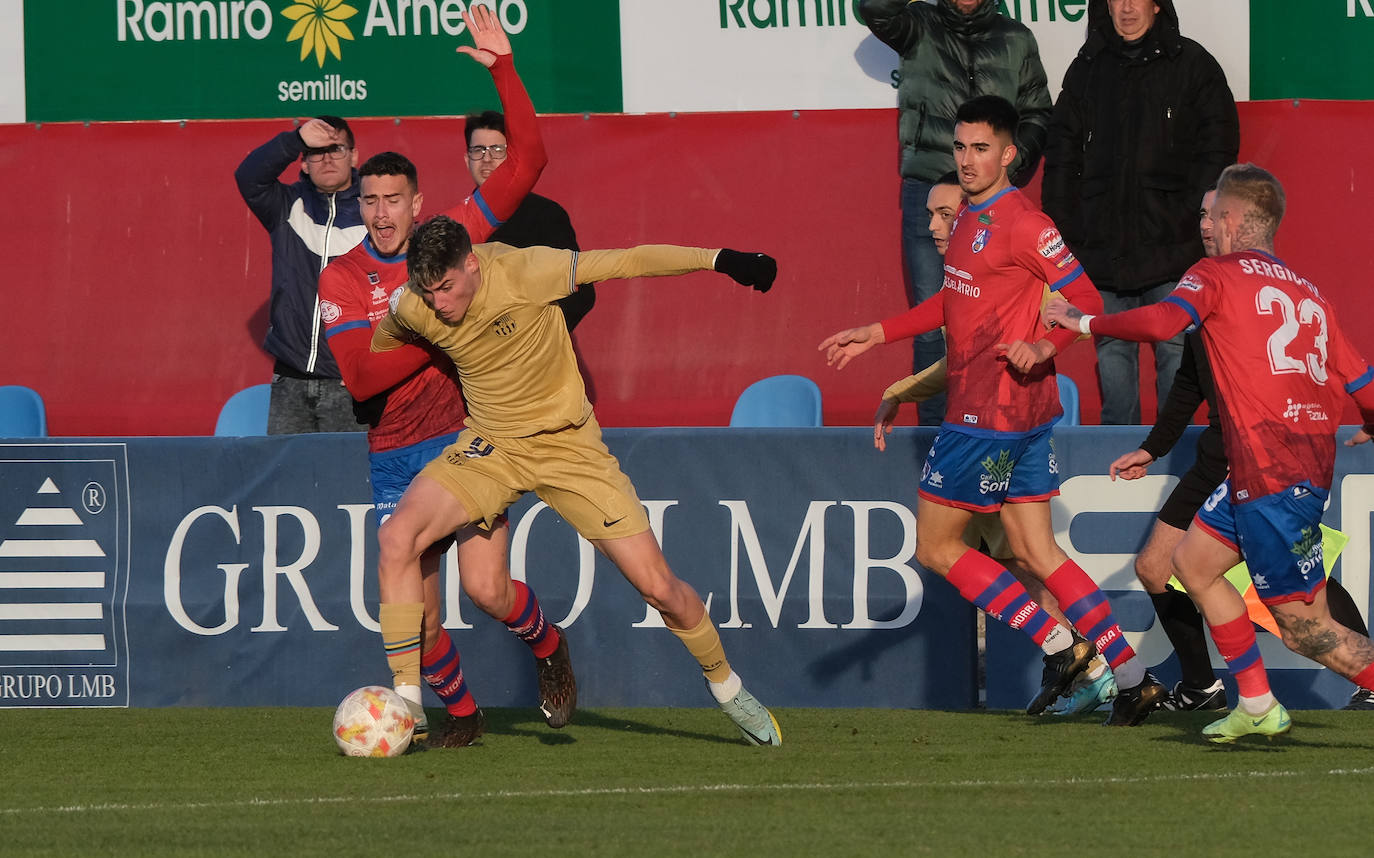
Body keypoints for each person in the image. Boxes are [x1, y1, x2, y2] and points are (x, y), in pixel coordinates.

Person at [371, 216, 783, 746]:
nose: (439, 303)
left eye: (446, 288)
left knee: (659, 588)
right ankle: (405, 706)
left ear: (471, 264)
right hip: (493, 447)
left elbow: (629, 260)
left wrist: (722, 259)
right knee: (397, 539)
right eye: (428, 292)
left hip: (569, 447)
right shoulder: (415, 306)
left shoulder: (524, 271)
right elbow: (381, 347)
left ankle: (728, 688)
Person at [820, 95, 1165, 726]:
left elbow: (1087, 300)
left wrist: (1047, 343)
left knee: (935, 547)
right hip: (1019, 415)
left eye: (981, 149)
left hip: (990, 413)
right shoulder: (969, 218)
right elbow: (953, 302)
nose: (968, 159)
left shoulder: (1025, 224)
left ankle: (1058, 643)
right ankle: (1133, 675)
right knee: (1038, 553)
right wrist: (879, 332)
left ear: (1009, 155)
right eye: (960, 147)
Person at [1045, 163, 1374, 742]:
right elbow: (1363, 380)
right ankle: (1256, 702)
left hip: (1272, 471)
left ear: (1231, 217)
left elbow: (1163, 322)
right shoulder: (1308, 291)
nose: (1206, 224)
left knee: (1304, 629)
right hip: (1274, 466)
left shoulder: (1216, 274)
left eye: (1212, 213)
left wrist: (1086, 321)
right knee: (1192, 563)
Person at [318, 7, 569, 749]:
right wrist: (439, 333)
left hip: (466, 438)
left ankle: (548, 645)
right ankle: (459, 713)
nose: (382, 213)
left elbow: (529, 161)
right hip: (394, 453)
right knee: (421, 618)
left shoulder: (449, 239)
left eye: (394, 199)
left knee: (487, 590)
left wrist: (504, 71)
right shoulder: (342, 276)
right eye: (369, 200)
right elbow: (361, 378)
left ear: (418, 203)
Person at [873, 172, 1115, 715]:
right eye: (930, 215)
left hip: (996, 426)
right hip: (990, 423)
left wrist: (1044, 346)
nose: (934, 226)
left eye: (944, 214)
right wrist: (900, 386)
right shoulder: (966, 271)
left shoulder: (1013, 255)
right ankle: (1107, 669)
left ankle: (1089, 666)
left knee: (1024, 561)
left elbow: (1070, 315)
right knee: (1027, 558)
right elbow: (959, 359)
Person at [1042, 0, 1239, 425]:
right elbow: (1060, 158)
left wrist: (1188, 222)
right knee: (1113, 360)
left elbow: (1218, 150)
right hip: (1102, 255)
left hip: (1174, 253)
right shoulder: (1086, 69)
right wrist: (1069, 233)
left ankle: (1170, 456)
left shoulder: (1193, 64)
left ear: (1157, 5)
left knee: (1175, 356)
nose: (1127, 8)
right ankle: (1118, 459)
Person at [860, 0, 1052, 426]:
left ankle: (993, 425)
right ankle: (936, 437)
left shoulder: (1015, 37)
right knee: (933, 325)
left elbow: (1038, 112)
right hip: (930, 189)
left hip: (992, 199)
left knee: (998, 321)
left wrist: (1009, 166)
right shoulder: (918, 24)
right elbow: (874, 8)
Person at [236, 110, 367, 433]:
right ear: (304, 162)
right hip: (290, 382)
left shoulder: (374, 210)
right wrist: (295, 139)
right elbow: (248, 177)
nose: (327, 159)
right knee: (288, 467)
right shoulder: (285, 204)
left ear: (353, 156)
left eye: (336, 149)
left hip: (349, 383)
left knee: (348, 467)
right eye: (315, 152)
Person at [464, 110, 595, 330]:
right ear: (467, 159)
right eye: (478, 150)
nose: (487, 159)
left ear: (512, 157)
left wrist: (534, 335)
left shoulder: (546, 215)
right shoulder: (455, 225)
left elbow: (580, 291)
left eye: (497, 150)